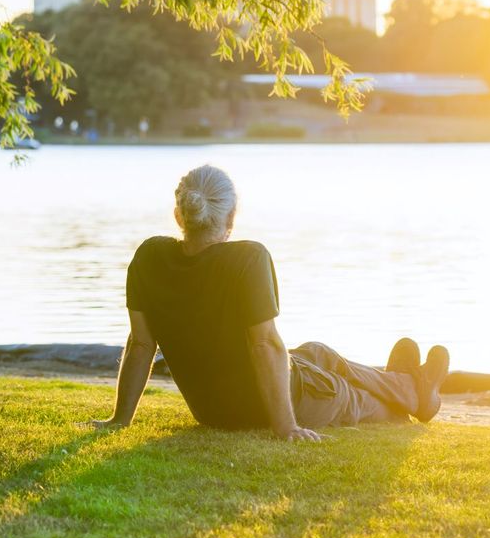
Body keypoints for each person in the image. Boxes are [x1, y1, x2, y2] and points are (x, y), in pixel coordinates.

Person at [91, 164, 450, 441]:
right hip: (262, 407)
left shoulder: (149, 256)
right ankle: (415, 395)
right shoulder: (248, 258)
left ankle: (404, 382)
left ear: (179, 215)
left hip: (211, 410)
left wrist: (119, 419)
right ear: (230, 218)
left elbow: (140, 344)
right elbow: (264, 343)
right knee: (349, 397)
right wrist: (286, 426)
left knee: (318, 352)